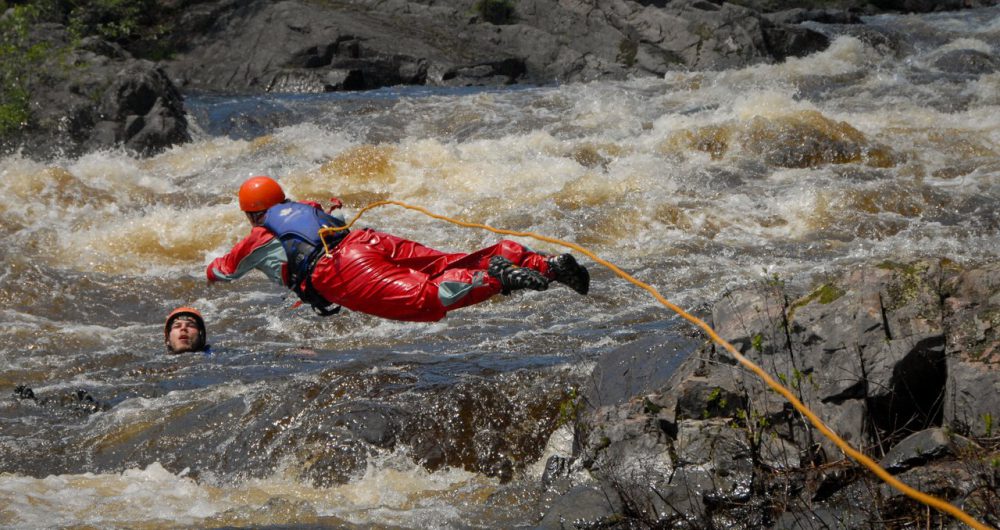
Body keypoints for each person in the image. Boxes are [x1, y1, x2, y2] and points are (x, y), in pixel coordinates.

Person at [206, 176, 590, 322]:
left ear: (250, 214)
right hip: (367, 240)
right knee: (445, 263)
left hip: (341, 267)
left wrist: (209, 268)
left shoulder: (258, 235)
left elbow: (223, 270)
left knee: (426, 298)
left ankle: (494, 278)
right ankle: (544, 264)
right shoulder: (308, 208)